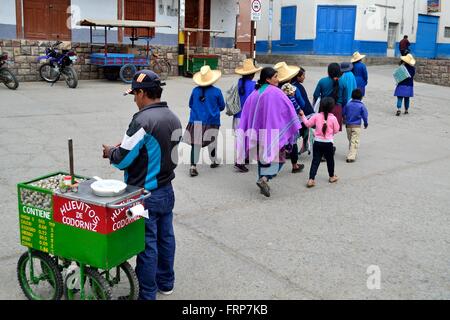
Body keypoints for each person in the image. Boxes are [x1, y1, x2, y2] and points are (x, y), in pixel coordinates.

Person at [102, 70, 182, 300]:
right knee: (165, 237)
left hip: (144, 195)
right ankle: (166, 283)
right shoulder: (172, 116)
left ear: (142, 93)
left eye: (135, 94)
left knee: (147, 245)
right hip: (167, 190)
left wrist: (110, 152)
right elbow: (165, 151)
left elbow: (122, 159)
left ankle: (146, 295)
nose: (135, 100)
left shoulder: (142, 120)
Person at [237, 67, 301, 197]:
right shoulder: (276, 92)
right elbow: (287, 109)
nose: (278, 79)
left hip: (257, 132)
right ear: (268, 79)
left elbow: (247, 113)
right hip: (272, 133)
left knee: (263, 158)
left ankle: (262, 182)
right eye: (275, 77)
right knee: (281, 159)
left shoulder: (255, 93)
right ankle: (265, 178)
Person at [183, 65, 225, 176]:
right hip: (212, 121)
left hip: (196, 120)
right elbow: (222, 106)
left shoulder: (195, 91)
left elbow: (190, 104)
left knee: (195, 144)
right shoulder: (217, 92)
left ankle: (193, 166)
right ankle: (214, 160)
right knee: (212, 141)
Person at [299, 97, 340, 188]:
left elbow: (307, 124)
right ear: (332, 107)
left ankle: (311, 179)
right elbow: (336, 130)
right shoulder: (333, 118)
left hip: (317, 142)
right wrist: (330, 133)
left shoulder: (316, 116)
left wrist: (302, 115)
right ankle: (332, 176)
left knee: (315, 160)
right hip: (328, 143)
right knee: (330, 160)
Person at [275, 61, 305, 173]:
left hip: (278, 120)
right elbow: (302, 103)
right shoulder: (293, 89)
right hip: (291, 121)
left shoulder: (275, 90)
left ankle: (274, 165)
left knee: (278, 142)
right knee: (293, 142)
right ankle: (295, 165)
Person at [233, 58, 261, 172]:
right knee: (248, 137)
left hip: (237, 116)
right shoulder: (254, 85)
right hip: (248, 116)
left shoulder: (239, 83)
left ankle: (244, 157)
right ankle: (240, 161)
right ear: (252, 74)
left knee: (240, 138)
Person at [313, 62, 344, 131]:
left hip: (324, 108)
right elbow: (344, 98)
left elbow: (316, 95)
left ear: (328, 71)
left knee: (322, 129)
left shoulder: (322, 81)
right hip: (337, 109)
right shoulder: (342, 82)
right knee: (332, 131)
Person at [291, 67, 315, 155]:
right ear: (297, 77)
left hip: (302, 113)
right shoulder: (297, 87)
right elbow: (302, 103)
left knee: (302, 131)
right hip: (304, 113)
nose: (304, 77)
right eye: (303, 75)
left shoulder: (292, 85)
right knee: (304, 131)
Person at [342, 89, 369, 163]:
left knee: (351, 140)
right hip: (356, 126)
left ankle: (351, 153)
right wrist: (366, 123)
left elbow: (343, 113)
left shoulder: (348, 104)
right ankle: (351, 156)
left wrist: (344, 119)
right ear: (361, 97)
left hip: (348, 125)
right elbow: (365, 116)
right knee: (355, 141)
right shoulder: (361, 106)